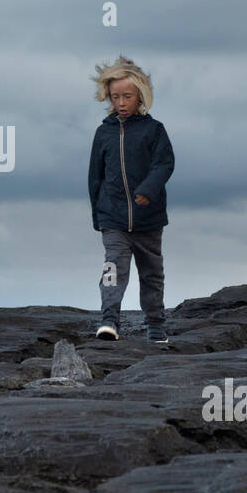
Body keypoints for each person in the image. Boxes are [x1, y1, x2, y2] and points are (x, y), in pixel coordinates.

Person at [87, 55, 174, 343]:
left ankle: (156, 325)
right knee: (113, 268)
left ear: (141, 96)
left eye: (127, 96)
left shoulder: (154, 130)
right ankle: (109, 320)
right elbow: (94, 177)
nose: (121, 102)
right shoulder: (103, 134)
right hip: (113, 219)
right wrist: (98, 216)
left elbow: (164, 164)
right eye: (115, 97)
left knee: (151, 273)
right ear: (108, 98)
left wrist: (148, 190)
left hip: (149, 219)